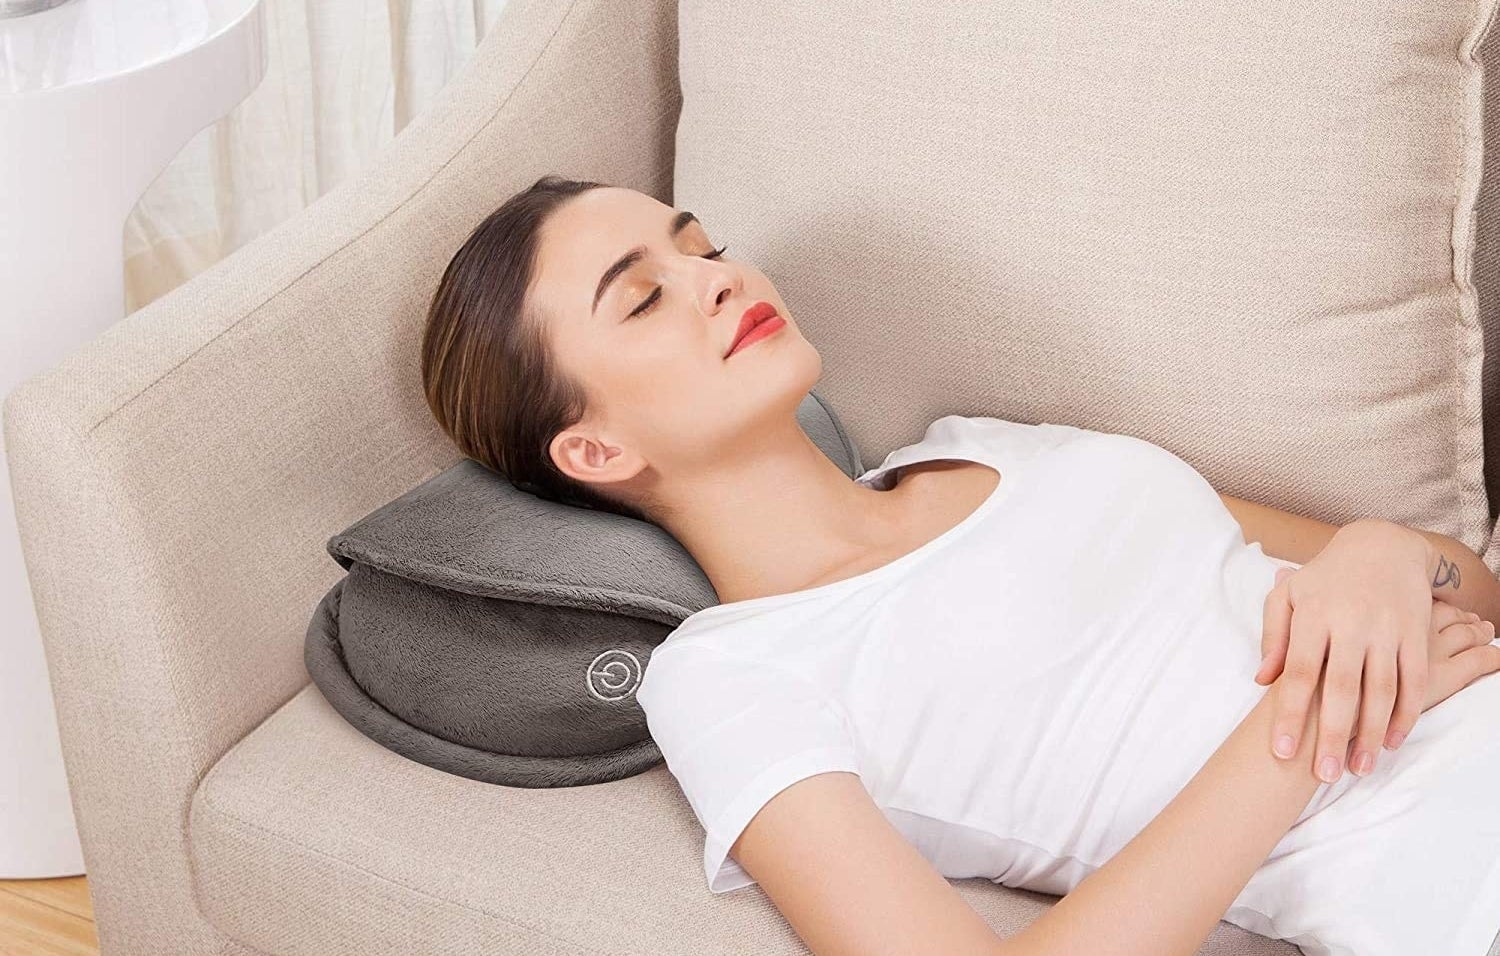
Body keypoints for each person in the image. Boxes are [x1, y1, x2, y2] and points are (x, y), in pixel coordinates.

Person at [418, 174, 1500, 956]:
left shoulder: (985, 442)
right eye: (644, 296)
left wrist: (1378, 550)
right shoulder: (729, 677)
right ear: (597, 449)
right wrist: (1309, 734)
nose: (717, 277)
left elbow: (1469, 583)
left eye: (701, 246)